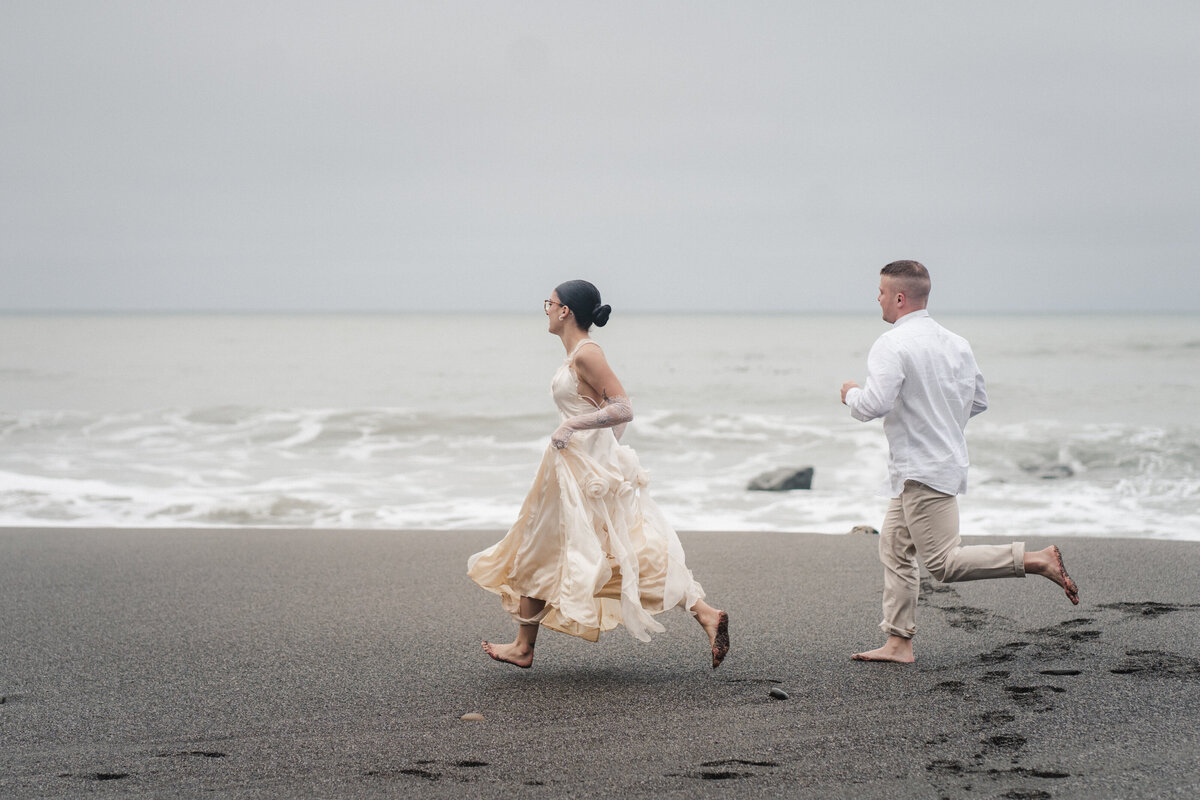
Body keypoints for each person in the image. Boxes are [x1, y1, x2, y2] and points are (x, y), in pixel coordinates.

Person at [467, 280, 729, 669]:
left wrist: (575, 428)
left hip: (580, 472)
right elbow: (607, 410)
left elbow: (623, 407)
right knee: (577, 551)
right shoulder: (576, 354)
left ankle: (524, 647)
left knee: (552, 550)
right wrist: (601, 446)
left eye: (549, 304)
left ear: (565, 311)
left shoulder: (587, 354)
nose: (546, 310)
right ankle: (706, 613)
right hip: (576, 468)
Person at [841, 260, 1078, 664]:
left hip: (922, 467)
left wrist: (849, 393)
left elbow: (873, 405)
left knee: (943, 563)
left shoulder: (891, 344)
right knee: (895, 547)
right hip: (934, 464)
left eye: (880, 292)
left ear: (899, 298)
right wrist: (940, 420)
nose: (877, 298)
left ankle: (1036, 559)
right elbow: (980, 400)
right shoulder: (956, 343)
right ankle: (898, 642)